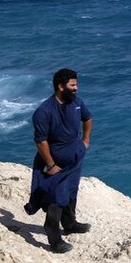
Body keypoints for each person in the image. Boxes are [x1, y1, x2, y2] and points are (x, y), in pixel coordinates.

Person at [25, 68, 93, 253]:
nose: (76, 88)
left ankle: (70, 223)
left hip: (75, 158)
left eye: (76, 84)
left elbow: (87, 119)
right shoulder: (44, 111)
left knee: (71, 190)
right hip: (55, 162)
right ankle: (54, 239)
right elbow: (41, 141)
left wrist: (85, 141)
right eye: (72, 85)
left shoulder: (77, 103)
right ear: (60, 86)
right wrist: (51, 164)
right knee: (57, 196)